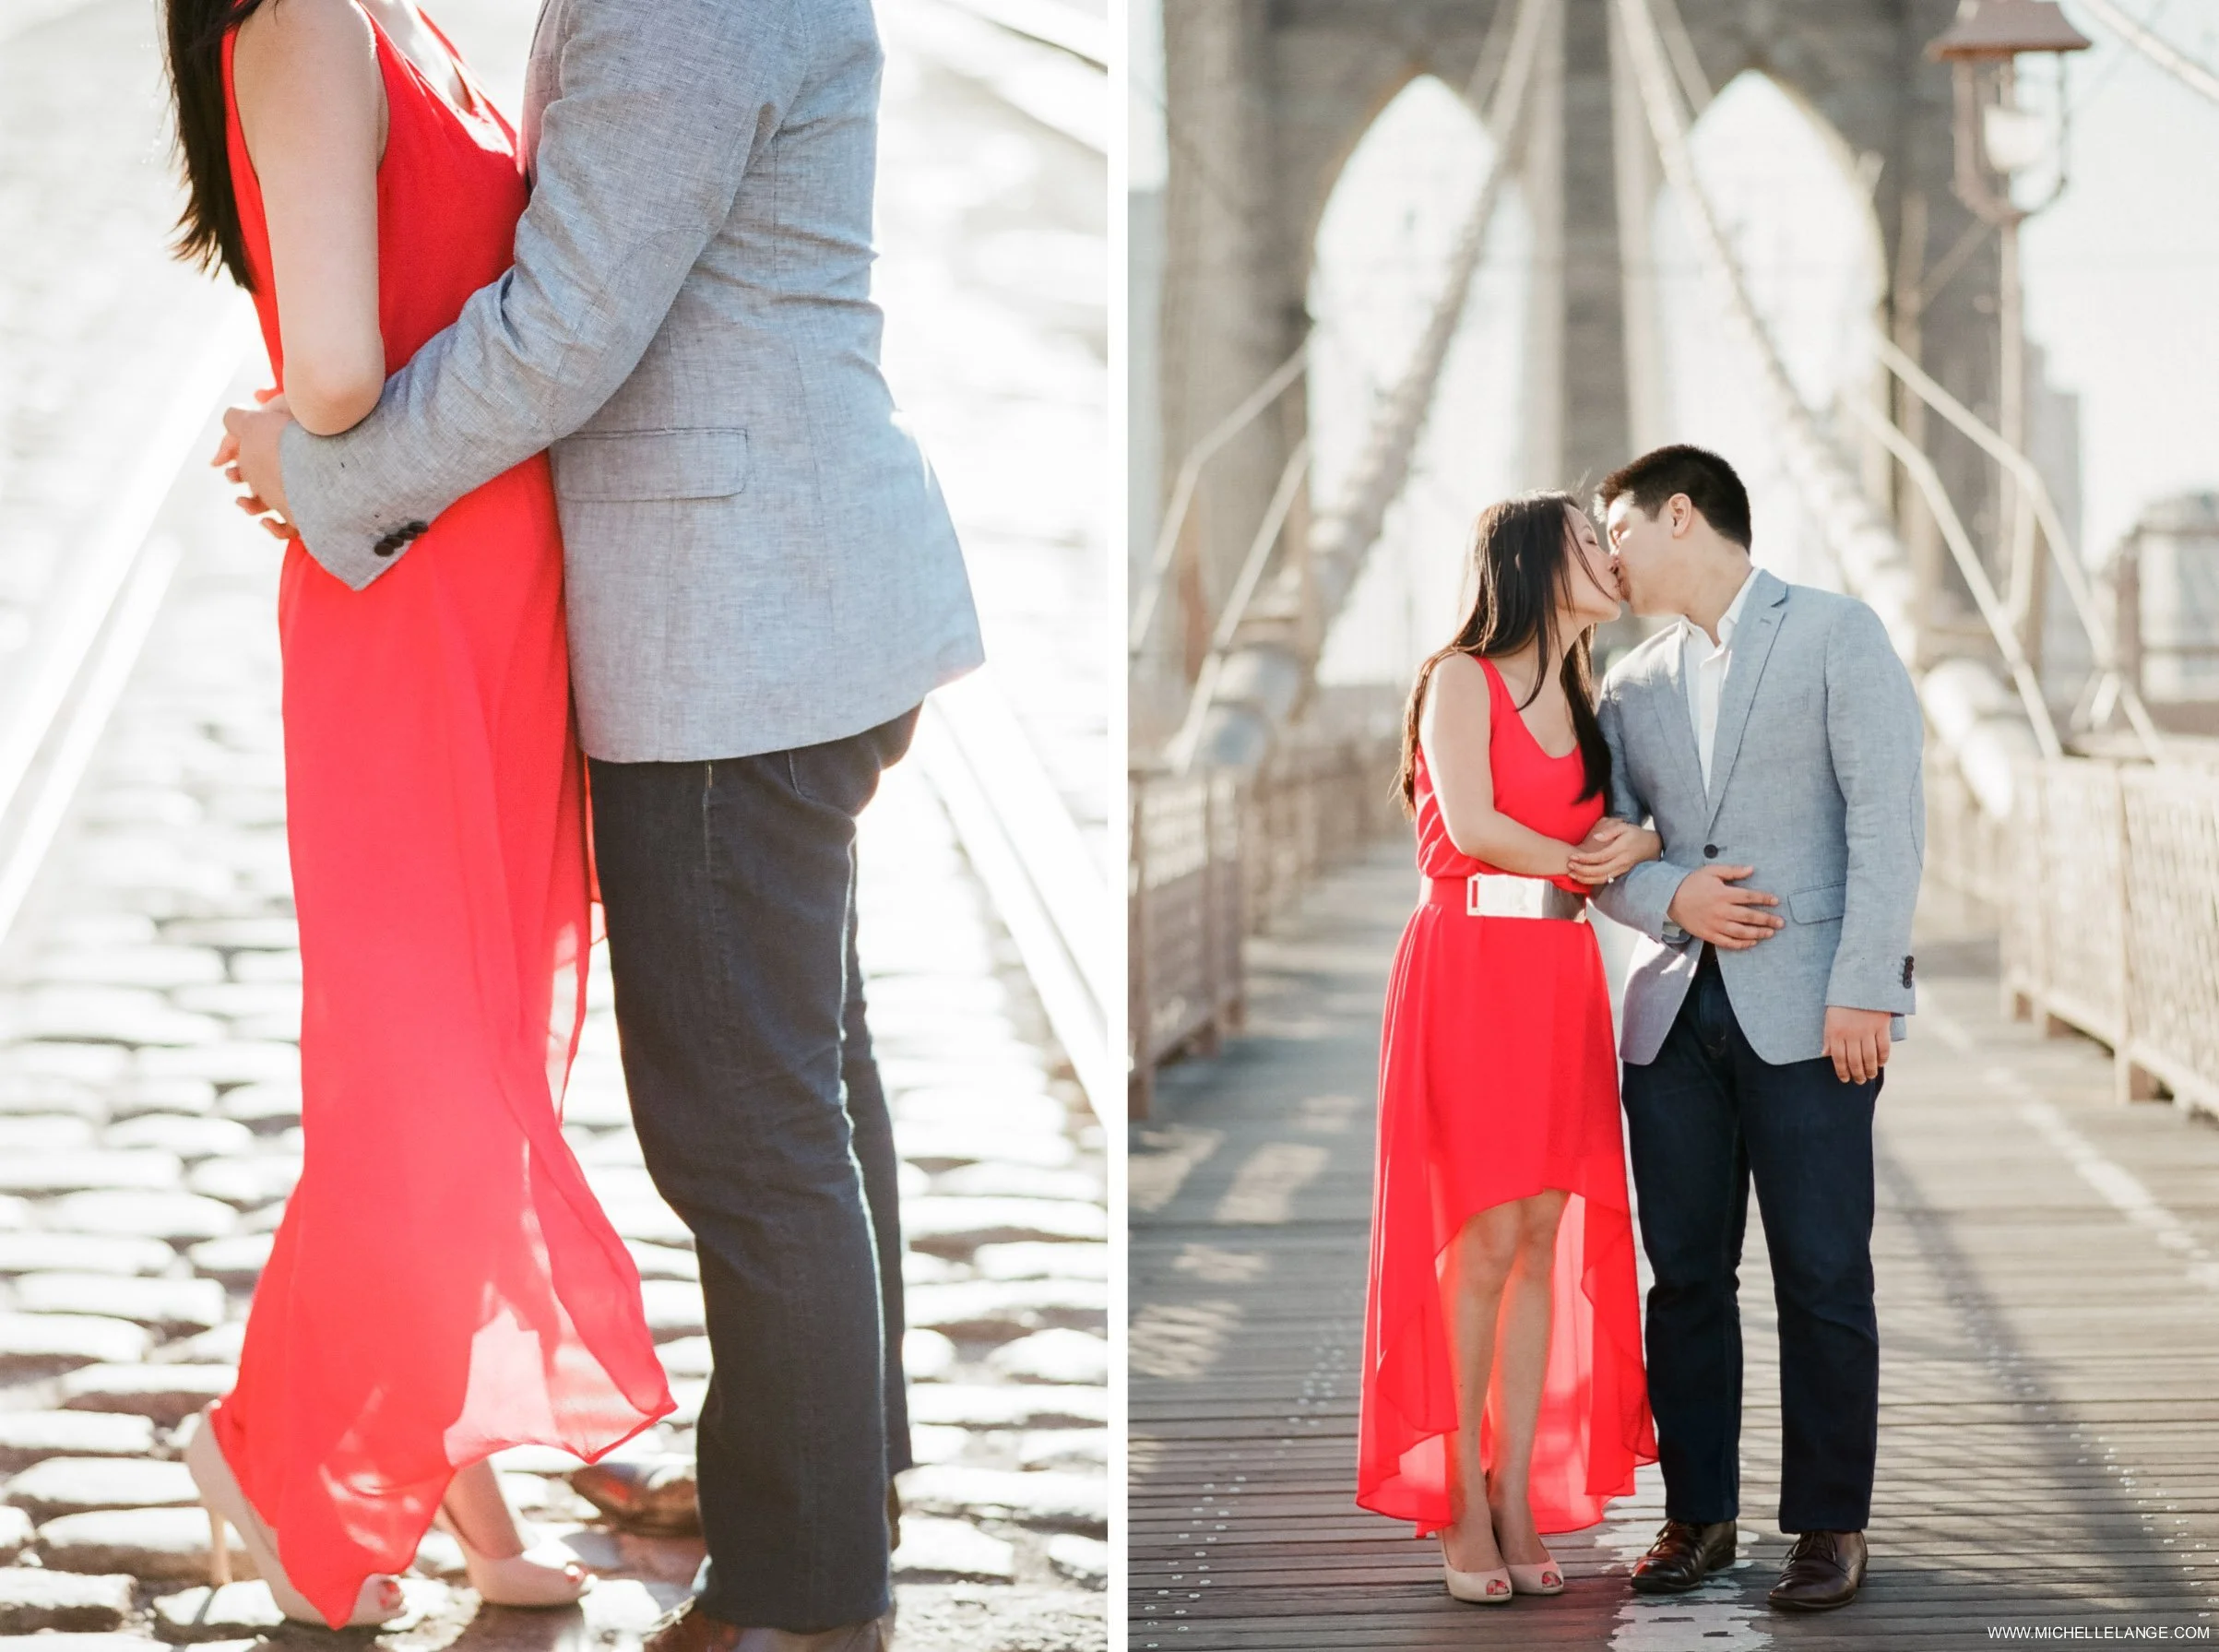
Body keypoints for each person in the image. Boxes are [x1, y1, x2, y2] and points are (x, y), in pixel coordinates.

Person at [217, 0, 985, 1642]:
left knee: (745, 1122)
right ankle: (828, 1473)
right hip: (773, 607)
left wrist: (325, 474)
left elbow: (567, 328)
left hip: (736, 632)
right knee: (806, 1080)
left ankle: (798, 1582)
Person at [161, 0, 677, 1628]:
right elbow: (328, 379)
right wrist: (292, 430)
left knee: (469, 1059)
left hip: (486, 593)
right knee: (427, 1073)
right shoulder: (306, 22)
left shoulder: (397, 17)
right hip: (409, 603)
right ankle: (280, 1447)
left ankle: (433, 1477)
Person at [1589, 445, 1923, 1613]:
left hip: (1816, 1010)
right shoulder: (1628, 686)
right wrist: (1669, 893)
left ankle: (1831, 1526)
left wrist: (1865, 986)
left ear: (1680, 517)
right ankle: (1699, 1517)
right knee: (1684, 1277)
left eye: (1616, 529)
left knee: (1824, 1272)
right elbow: (1607, 858)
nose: (1607, 555)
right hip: (1673, 1017)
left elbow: (1889, 820)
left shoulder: (1839, 633)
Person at [1358, 493, 1659, 1605]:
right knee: (1480, 1243)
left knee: (1540, 1236)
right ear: (1535, 561)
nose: (1612, 557)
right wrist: (1589, 858)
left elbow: (1635, 820)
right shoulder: (1457, 679)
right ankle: (1464, 1507)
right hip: (1471, 966)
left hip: (1559, 974)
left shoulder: (1596, 700)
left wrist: (1643, 839)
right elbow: (1476, 825)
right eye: (1592, 542)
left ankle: (1518, 1486)